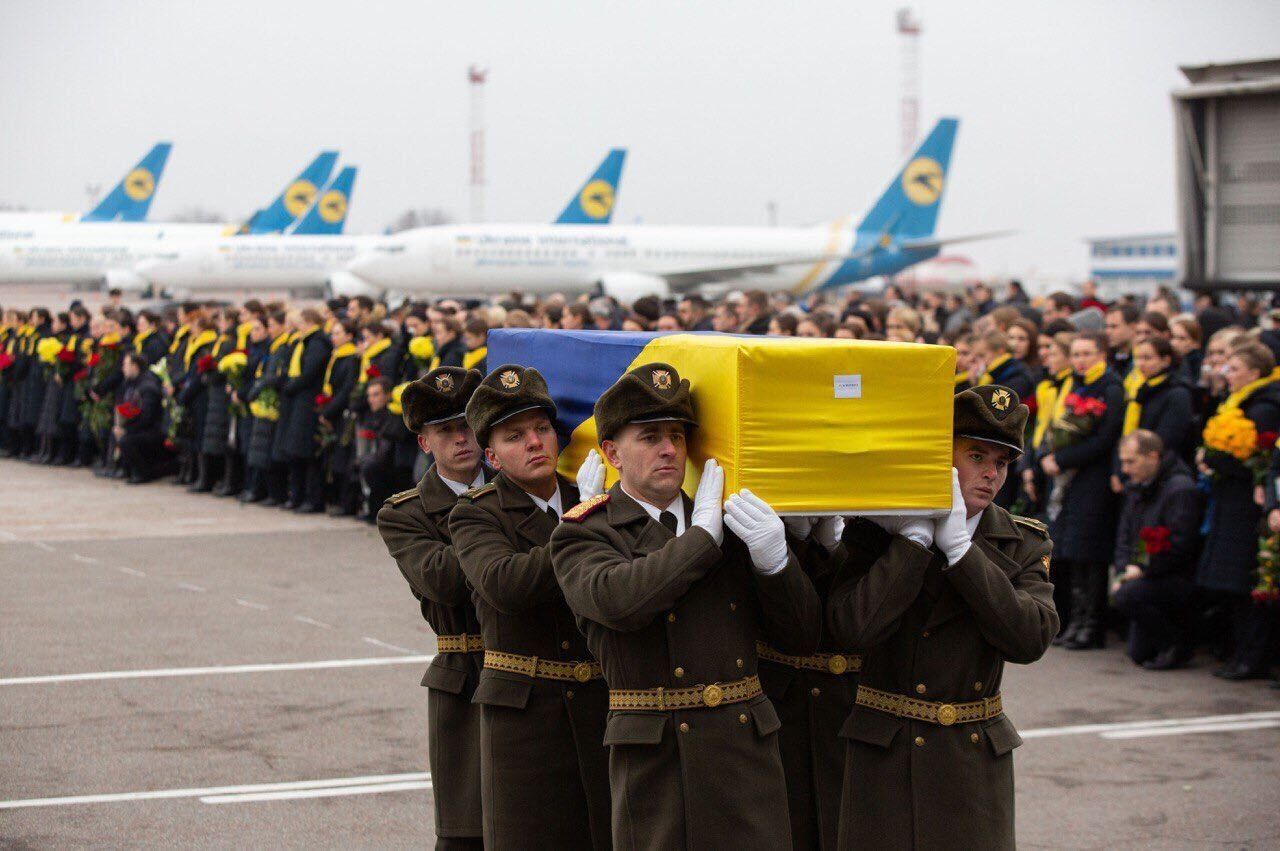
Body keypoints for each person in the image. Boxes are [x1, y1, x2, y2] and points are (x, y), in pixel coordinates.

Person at [551, 362, 823, 850]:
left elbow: (801, 636)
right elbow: (620, 600)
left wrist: (776, 561)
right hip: (658, 761)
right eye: (650, 436)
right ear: (611, 452)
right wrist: (701, 538)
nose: (670, 449)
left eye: (677, 435)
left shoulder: (730, 523)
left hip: (744, 753)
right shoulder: (584, 531)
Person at [827, 385, 1057, 851]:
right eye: (976, 456)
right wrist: (912, 544)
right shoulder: (876, 532)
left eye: (1003, 463)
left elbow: (1029, 638)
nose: (991, 474)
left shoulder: (1024, 542)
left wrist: (962, 553)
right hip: (883, 750)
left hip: (969, 755)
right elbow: (853, 629)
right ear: (941, 454)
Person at [447, 365, 609, 849]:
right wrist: (582, 523)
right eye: (516, 436)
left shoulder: (591, 494)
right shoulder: (475, 513)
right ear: (492, 456)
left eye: (542, 429)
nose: (535, 442)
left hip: (601, 702)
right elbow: (505, 585)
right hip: (526, 715)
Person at [378, 367, 488, 851]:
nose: (461, 439)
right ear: (425, 443)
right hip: (467, 675)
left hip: (542, 666)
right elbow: (443, 581)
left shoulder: (533, 489)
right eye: (446, 430)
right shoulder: (405, 513)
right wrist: (499, 509)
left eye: (468, 425)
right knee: (467, 830)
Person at [1196, 341, 1280, 680]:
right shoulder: (1237, 401)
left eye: (1233, 368)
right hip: (1230, 500)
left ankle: (1252, 656)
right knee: (1232, 584)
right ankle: (1239, 652)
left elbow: (1254, 458)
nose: (1226, 374)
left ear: (1254, 372)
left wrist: (1214, 460)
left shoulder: (1264, 406)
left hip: (1247, 505)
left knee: (1246, 582)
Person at [1039, 332, 1124, 649]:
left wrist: (1061, 458)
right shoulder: (1078, 384)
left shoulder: (1110, 387)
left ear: (1102, 354)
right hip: (1073, 478)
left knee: (1091, 554)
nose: (1079, 360)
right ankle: (1075, 621)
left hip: (1094, 477)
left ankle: (1093, 625)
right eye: (1075, 354)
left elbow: (1104, 439)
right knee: (1072, 551)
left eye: (1086, 354)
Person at [1110, 430, 1200, 670]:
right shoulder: (1138, 486)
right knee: (1138, 654)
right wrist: (1123, 571)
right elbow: (1125, 536)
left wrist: (1141, 569)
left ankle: (1177, 642)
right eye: (1123, 462)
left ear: (1153, 456)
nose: (1125, 469)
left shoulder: (1180, 489)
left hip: (1172, 577)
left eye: (1131, 461)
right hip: (1146, 573)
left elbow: (1180, 546)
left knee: (1127, 596)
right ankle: (1163, 642)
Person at [279, 309, 332, 512]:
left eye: (300, 322)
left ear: (309, 322)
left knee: (307, 453)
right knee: (295, 452)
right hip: (298, 402)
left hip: (307, 402)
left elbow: (309, 372)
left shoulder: (317, 343)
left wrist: (290, 386)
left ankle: (312, 498)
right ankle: (298, 495)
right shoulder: (305, 342)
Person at [115, 351, 168, 483]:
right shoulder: (130, 383)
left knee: (126, 440)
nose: (123, 368)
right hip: (139, 428)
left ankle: (143, 473)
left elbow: (147, 417)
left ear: (135, 366)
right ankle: (124, 469)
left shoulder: (147, 386)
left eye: (126, 365)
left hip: (153, 431)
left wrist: (127, 429)